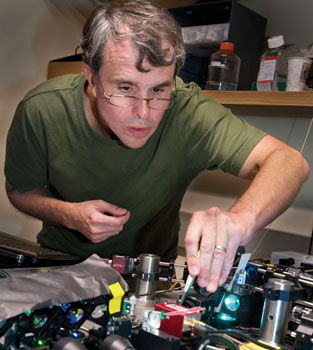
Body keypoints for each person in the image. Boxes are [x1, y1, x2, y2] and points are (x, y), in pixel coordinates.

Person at [4, 0, 310, 293]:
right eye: (125, 88)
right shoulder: (42, 108)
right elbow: (21, 190)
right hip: (59, 267)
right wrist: (70, 215)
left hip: (150, 281)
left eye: (159, 89)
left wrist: (241, 220)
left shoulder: (188, 110)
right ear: (92, 79)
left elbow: (289, 161)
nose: (144, 113)